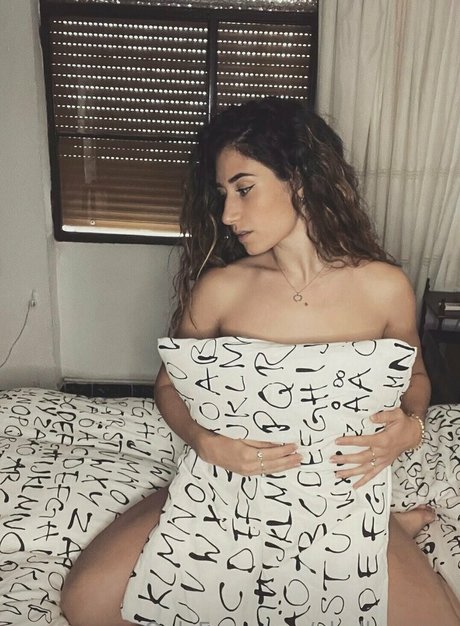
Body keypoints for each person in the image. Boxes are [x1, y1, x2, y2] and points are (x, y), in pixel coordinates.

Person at [61, 98, 460, 626]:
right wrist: (203, 441)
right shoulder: (222, 289)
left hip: (338, 498)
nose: (228, 214)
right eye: (223, 194)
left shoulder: (383, 287)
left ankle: (390, 526)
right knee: (85, 603)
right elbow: (169, 387)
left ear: (301, 180)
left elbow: (415, 377)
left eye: (244, 189)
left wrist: (411, 426)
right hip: (228, 485)